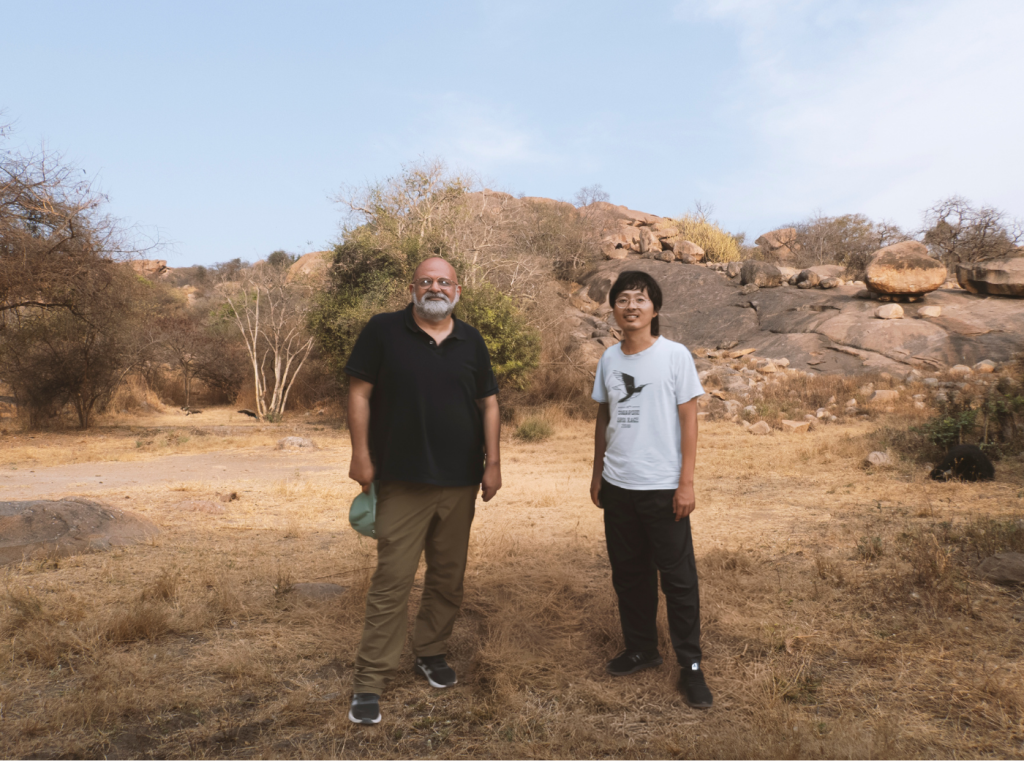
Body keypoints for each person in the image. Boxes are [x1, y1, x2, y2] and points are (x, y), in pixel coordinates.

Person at [344, 257, 502, 725]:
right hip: (401, 479)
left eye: (444, 282)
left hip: (460, 482)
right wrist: (360, 455)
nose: (435, 287)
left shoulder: (471, 339)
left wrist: (493, 464)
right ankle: (370, 679)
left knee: (447, 578)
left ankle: (430, 652)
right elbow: (359, 394)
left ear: (458, 290)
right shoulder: (383, 330)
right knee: (392, 581)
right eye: (426, 281)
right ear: (412, 287)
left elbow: (488, 404)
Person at [589, 269, 713, 709]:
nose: (631, 306)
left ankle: (691, 666)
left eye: (640, 299)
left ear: (654, 308)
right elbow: (604, 417)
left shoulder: (675, 356)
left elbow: (689, 420)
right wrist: (597, 472)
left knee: (678, 580)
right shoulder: (609, 359)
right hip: (619, 484)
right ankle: (641, 649)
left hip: (663, 487)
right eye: (623, 299)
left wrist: (687, 483)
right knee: (629, 574)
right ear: (614, 309)